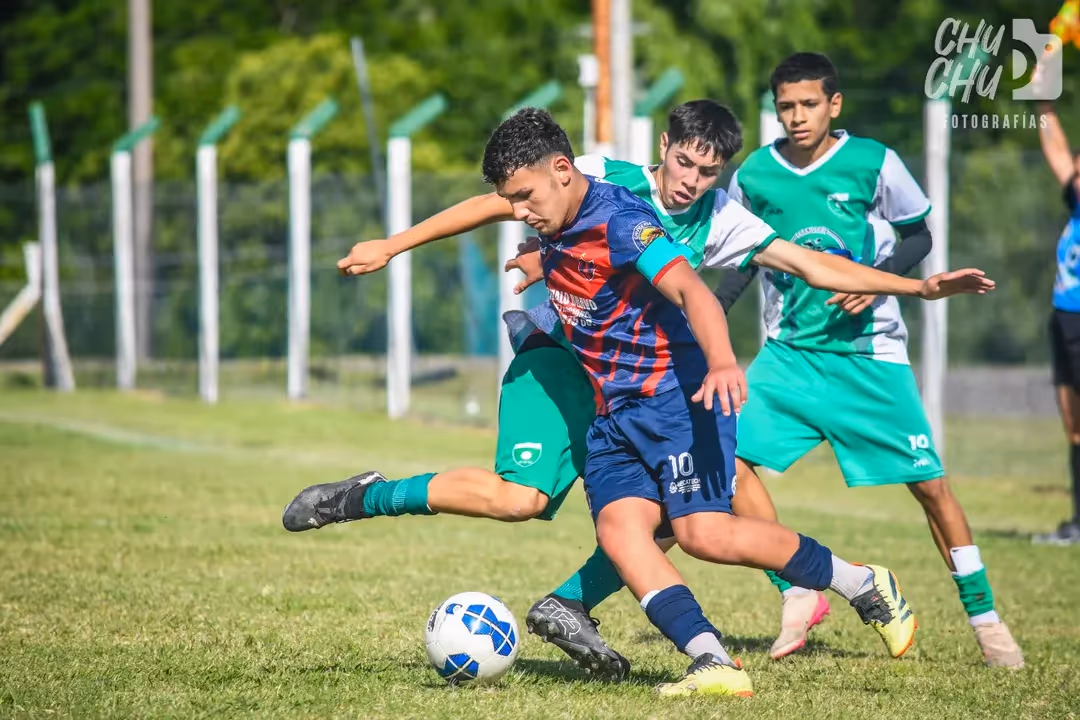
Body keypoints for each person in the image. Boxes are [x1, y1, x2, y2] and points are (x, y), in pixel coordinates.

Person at [283, 100, 993, 682]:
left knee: (680, 525)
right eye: (683, 161)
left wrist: (918, 286)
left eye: (707, 172)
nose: (689, 180)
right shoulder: (593, 175)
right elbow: (501, 203)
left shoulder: (707, 223)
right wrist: (399, 245)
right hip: (566, 362)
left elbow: (802, 267)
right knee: (536, 501)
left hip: (653, 384)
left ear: (720, 177)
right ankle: (370, 500)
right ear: (664, 147)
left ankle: (748, 614)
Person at [711, 52, 1023, 668]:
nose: (796, 117)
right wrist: (710, 316)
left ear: (835, 105)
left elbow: (920, 236)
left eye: (807, 105)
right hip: (789, 358)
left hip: (870, 358)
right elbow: (744, 260)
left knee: (931, 488)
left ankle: (988, 625)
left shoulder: (874, 161)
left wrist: (876, 278)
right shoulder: (754, 176)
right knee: (724, 462)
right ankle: (797, 587)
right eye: (785, 107)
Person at [1034, 91, 1080, 546]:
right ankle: (1077, 521)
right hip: (1066, 320)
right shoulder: (1077, 205)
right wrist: (1043, 105)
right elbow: (1057, 151)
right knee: (1074, 427)